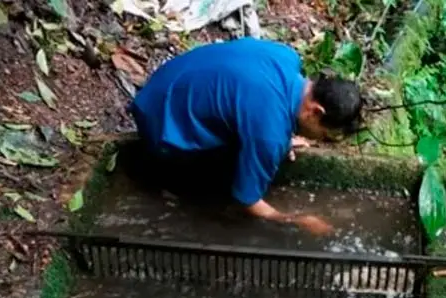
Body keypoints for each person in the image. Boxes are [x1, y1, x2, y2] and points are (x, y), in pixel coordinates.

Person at [129, 38, 363, 236]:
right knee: (224, 198)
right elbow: (247, 201)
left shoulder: (286, 56)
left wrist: (279, 139)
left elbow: (251, 102)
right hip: (159, 127)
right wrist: (295, 220)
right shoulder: (269, 135)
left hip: (160, 86)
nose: (317, 141)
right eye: (323, 136)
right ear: (315, 112)